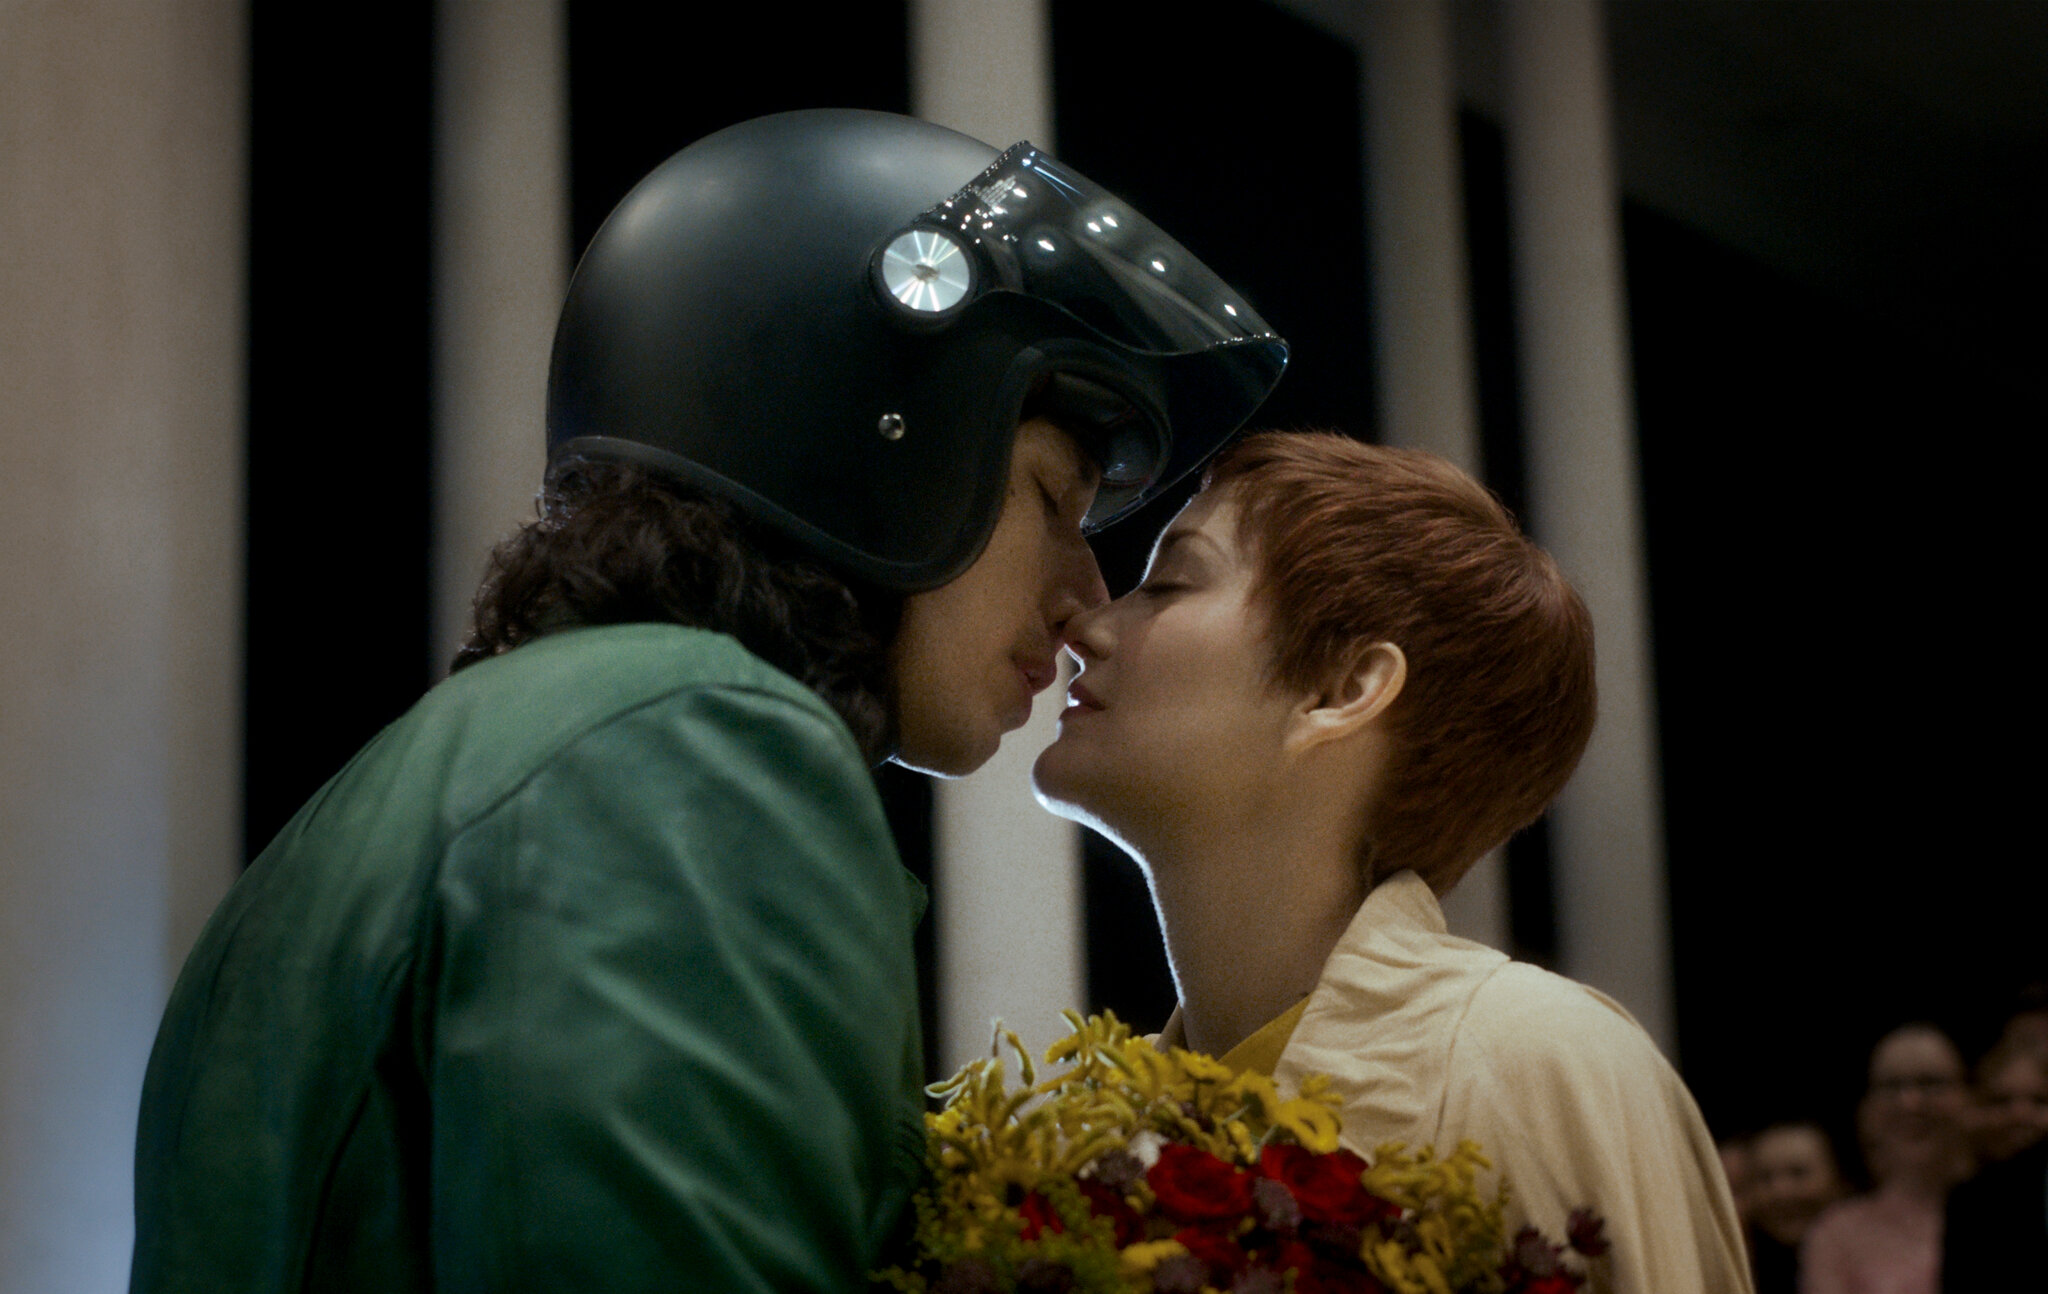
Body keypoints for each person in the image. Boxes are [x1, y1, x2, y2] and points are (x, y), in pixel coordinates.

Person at [129, 109, 1285, 1293]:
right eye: (1053, 498)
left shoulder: (447, 781)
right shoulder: (687, 752)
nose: (1084, 597)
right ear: (878, 437)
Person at [1032, 431, 1751, 1293]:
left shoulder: (1538, 1064)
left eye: (1172, 582)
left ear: (1343, 691)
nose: (1088, 625)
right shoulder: (1089, 1131)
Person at [1802, 1023, 1974, 1294]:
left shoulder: (2014, 1210)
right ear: (1867, 1109)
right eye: (1892, 1087)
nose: (1910, 1103)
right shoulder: (1837, 1233)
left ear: (1968, 1096)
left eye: (1930, 1084)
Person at [1746, 1121, 1847, 1294]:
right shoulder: (1744, 1269)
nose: (1780, 1192)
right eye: (1765, 1178)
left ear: (1840, 1180)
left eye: (1798, 1173)